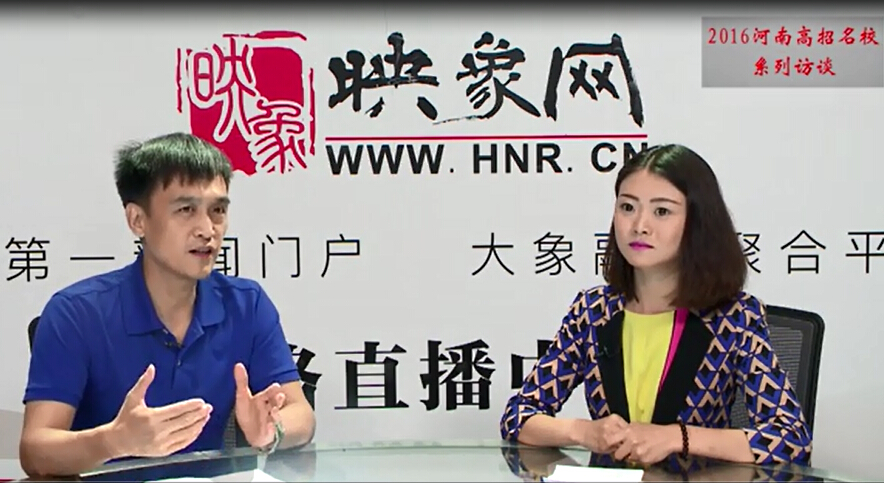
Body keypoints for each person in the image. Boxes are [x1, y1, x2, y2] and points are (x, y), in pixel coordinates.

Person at [19, 133, 316, 477]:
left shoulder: (246, 304)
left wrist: (271, 431)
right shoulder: (76, 313)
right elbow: (35, 450)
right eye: (186, 210)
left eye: (218, 210)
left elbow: (302, 416)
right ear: (138, 220)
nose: (207, 229)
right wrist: (113, 441)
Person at [500, 144, 812, 467]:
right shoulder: (592, 311)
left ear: (697, 222)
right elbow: (518, 416)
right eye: (627, 207)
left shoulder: (733, 317)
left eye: (662, 211)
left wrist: (677, 437)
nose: (640, 225)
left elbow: (791, 439)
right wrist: (582, 431)